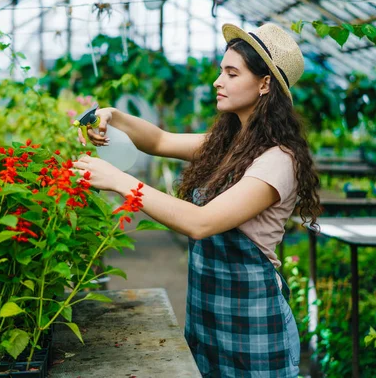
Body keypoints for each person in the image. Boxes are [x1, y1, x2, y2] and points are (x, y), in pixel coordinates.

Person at [73, 23, 321, 378]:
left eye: (231, 73)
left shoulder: (278, 160)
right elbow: (159, 141)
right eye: (221, 71)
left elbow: (200, 222)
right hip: (208, 315)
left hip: (253, 321)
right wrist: (114, 115)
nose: (217, 81)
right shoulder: (231, 144)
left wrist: (120, 182)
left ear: (265, 84)